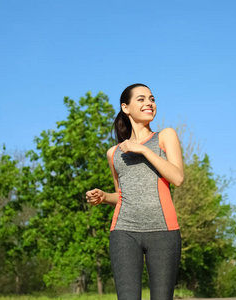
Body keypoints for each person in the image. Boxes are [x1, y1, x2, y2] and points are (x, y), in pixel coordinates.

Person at [85, 83, 184, 300]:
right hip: (124, 232)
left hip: (164, 232)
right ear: (126, 107)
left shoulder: (166, 136)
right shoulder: (114, 153)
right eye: (141, 99)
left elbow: (177, 178)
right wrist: (103, 197)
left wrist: (143, 150)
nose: (149, 103)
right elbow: (121, 195)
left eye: (152, 99)